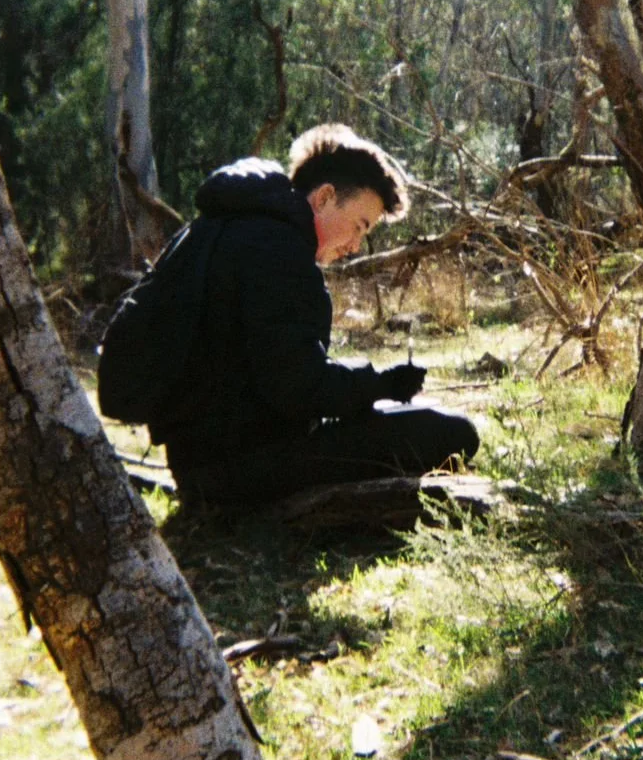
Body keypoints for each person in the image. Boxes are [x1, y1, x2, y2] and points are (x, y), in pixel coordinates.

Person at [154, 125, 479, 510]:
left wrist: (372, 386)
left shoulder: (233, 229)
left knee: (404, 417)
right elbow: (297, 388)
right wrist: (378, 385)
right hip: (237, 473)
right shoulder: (278, 252)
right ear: (325, 197)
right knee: (453, 433)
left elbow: (280, 368)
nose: (356, 246)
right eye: (360, 226)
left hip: (206, 463)